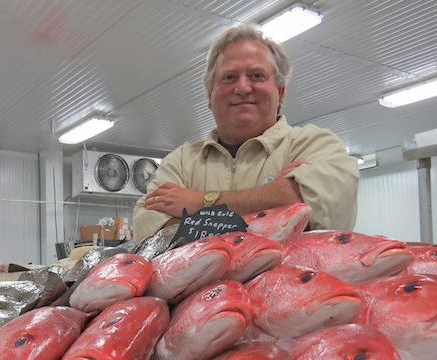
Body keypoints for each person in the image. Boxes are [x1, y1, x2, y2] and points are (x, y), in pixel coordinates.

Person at [132, 24, 359, 241]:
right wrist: (275, 203)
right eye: (229, 77)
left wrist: (201, 202)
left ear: (280, 92)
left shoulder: (315, 144)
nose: (242, 88)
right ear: (211, 94)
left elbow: (325, 209)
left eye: (257, 76)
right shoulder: (179, 163)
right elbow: (152, 233)